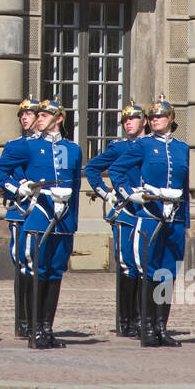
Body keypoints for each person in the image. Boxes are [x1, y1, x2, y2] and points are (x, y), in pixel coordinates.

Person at [0, 98, 82, 349]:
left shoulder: (73, 149)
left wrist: (73, 222)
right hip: (40, 213)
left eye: (44, 115)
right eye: (37, 115)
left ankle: (48, 329)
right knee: (38, 270)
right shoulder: (29, 147)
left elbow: (76, 186)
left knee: (56, 272)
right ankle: (34, 330)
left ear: (59, 118)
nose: (39, 118)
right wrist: (18, 187)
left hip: (64, 218)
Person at [110, 95, 189, 348]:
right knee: (148, 272)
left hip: (174, 218)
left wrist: (184, 220)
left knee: (167, 274)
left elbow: (184, 187)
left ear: (171, 119)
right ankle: (146, 327)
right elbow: (116, 171)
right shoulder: (143, 145)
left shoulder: (182, 148)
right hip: (150, 216)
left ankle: (161, 327)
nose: (155, 120)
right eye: (152, 117)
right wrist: (129, 194)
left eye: (160, 116)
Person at [84, 100, 146, 337]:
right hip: (127, 211)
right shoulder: (119, 148)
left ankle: (144, 319)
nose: (128, 123)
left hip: (150, 211)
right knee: (127, 264)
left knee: (145, 266)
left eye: (132, 119)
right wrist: (106, 193)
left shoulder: (152, 145)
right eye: (124, 120)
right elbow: (91, 169)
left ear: (144, 122)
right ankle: (126, 320)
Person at [0, 96, 40, 338]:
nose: (24, 118)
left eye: (29, 113)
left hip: (43, 211)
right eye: (22, 115)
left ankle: (37, 319)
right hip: (20, 211)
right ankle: (22, 320)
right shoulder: (14, 146)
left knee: (38, 266)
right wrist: (16, 187)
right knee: (22, 263)